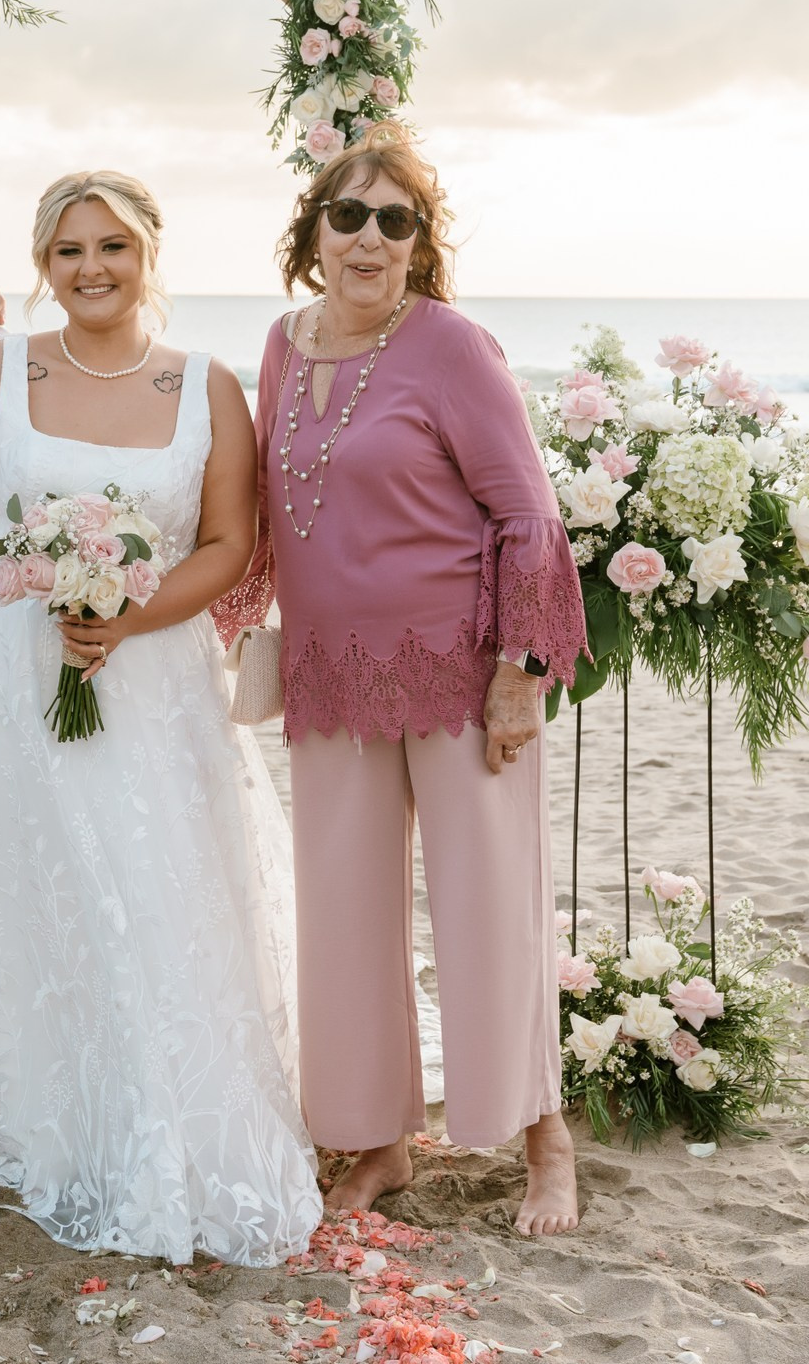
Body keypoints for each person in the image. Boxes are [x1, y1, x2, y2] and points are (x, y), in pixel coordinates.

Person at [0, 170, 320, 1266]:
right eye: (68, 250)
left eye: (112, 247)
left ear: (149, 254)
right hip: (12, 678)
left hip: (152, 679)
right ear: (40, 264)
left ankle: (165, 1112)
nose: (91, 268)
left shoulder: (207, 388)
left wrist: (126, 615)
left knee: (155, 887)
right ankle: (58, 1115)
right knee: (36, 891)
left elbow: (230, 544)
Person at [213, 125, 588, 1238]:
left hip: (459, 673)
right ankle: (380, 1141)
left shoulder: (452, 347)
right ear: (313, 234)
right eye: (349, 216)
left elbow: (528, 513)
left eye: (395, 220)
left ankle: (545, 1140)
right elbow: (274, 507)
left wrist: (519, 673)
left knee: (490, 911)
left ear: (420, 242)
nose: (369, 238)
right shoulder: (281, 345)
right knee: (344, 920)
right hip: (331, 675)